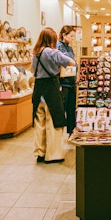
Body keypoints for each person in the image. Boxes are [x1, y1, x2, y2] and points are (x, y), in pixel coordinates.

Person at [31, 27, 75, 163]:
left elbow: (34, 70)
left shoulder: (35, 53)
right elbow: (71, 62)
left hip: (38, 91)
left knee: (39, 123)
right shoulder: (52, 52)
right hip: (51, 90)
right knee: (54, 122)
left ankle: (40, 152)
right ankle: (53, 154)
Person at [57, 25, 77, 135]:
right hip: (64, 83)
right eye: (71, 36)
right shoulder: (59, 47)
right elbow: (63, 63)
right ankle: (59, 133)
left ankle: (71, 132)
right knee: (62, 108)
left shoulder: (69, 47)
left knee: (71, 109)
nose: (73, 39)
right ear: (64, 35)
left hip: (72, 82)